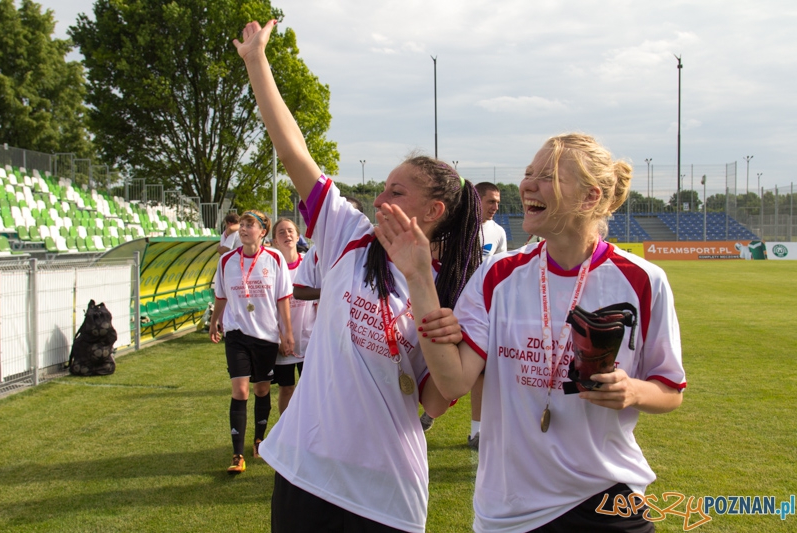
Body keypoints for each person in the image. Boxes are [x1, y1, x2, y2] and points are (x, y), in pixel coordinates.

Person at [234, 19, 482, 532]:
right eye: (383, 188)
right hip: (306, 471)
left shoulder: (457, 289)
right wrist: (257, 62)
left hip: (385, 488)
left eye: (396, 191)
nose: (379, 199)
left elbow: (436, 398)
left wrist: (419, 280)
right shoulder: (349, 233)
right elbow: (292, 151)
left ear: (433, 210)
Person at [377, 133, 686, 532]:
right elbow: (452, 383)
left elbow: (670, 389)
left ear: (590, 198)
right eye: (528, 174)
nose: (527, 185)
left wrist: (633, 391)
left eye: (548, 176)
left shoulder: (644, 281)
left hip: (608, 499)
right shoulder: (498, 275)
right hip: (510, 510)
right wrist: (419, 276)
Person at [418, 182, 507, 443]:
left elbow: (494, 269)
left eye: (498, 202)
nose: (495, 207)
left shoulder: (498, 232)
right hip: (442, 301)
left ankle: (476, 429)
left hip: (474, 309)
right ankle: (426, 413)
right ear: (476, 201)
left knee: (478, 371)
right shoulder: (450, 228)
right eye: (490, 201)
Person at [210, 209, 295, 475]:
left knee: (261, 390)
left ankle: (259, 440)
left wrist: (287, 333)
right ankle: (237, 454)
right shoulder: (226, 261)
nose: (244, 229)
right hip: (236, 334)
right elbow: (221, 296)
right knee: (241, 391)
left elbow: (283, 299)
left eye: (250, 225)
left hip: (266, 336)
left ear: (262, 231)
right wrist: (215, 321)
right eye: (242, 225)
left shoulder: (274, 258)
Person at [270, 217, 317, 413]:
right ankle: (285, 436)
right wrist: (280, 337)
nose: (287, 235)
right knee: (287, 388)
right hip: (283, 342)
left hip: (309, 340)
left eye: (290, 231)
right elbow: (267, 307)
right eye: (281, 232)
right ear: (274, 241)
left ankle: (311, 436)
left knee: (312, 391)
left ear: (298, 236)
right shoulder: (271, 268)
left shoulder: (309, 263)